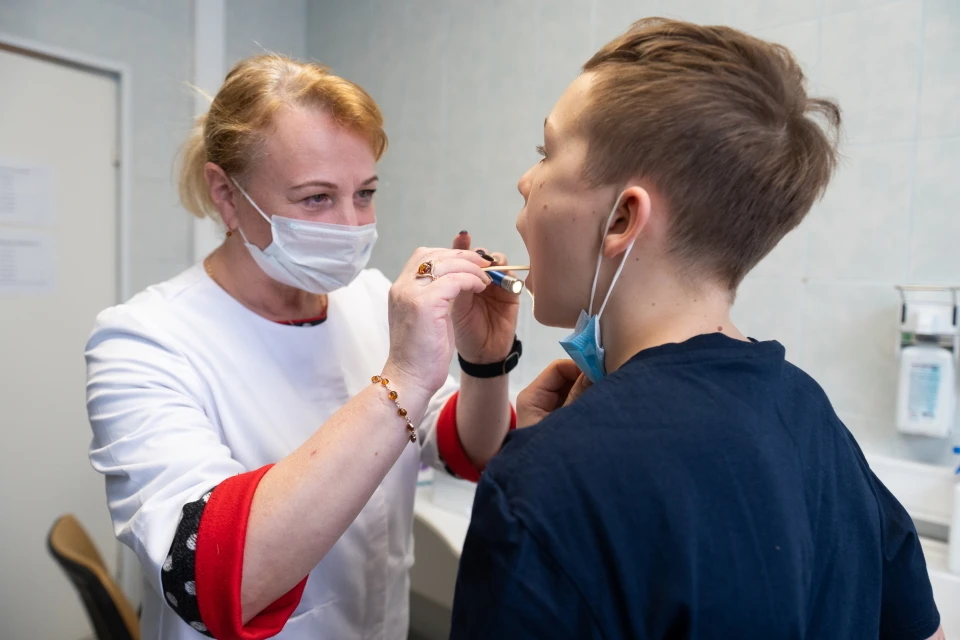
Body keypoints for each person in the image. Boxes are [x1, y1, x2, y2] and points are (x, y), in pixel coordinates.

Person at [450, 18, 945, 640]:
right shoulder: (810, 414)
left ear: (623, 218)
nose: (527, 179)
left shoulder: (540, 484)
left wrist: (551, 469)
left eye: (546, 151)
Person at [85, 54, 522, 640]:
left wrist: (484, 361)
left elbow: (468, 448)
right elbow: (212, 578)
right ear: (227, 195)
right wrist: (403, 377)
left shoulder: (370, 298)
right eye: (316, 198)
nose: (350, 226)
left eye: (364, 193)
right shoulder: (144, 340)